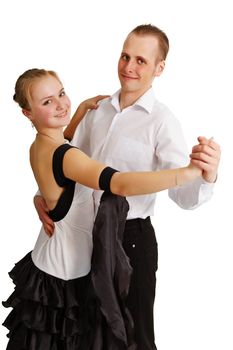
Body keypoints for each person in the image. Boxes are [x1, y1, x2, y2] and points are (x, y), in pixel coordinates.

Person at [34, 25, 221, 350]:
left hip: (130, 242)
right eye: (125, 56)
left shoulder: (162, 121)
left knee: (134, 338)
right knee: (89, 336)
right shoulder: (99, 110)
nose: (129, 67)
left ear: (159, 68)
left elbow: (183, 196)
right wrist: (42, 198)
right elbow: (69, 169)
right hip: (85, 239)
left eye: (140, 60)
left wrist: (206, 174)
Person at [2, 68, 202, 350]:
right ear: (28, 113)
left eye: (61, 93)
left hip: (46, 266)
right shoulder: (68, 157)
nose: (60, 104)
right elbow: (119, 183)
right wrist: (186, 173)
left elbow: (62, 141)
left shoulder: (39, 145)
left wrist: (79, 111)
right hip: (65, 280)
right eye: (47, 102)